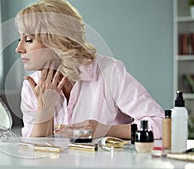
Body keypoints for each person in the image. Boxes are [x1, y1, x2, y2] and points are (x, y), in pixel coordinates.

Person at [15, 0, 164, 139]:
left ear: (56, 40)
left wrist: (106, 130)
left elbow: (161, 124)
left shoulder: (109, 72)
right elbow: (34, 153)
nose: (19, 49)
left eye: (28, 40)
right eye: (19, 39)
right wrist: (45, 109)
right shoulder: (31, 86)